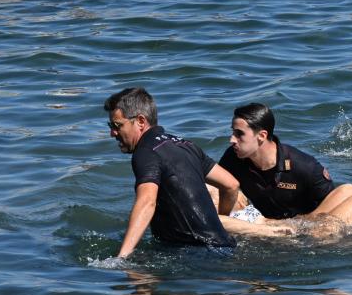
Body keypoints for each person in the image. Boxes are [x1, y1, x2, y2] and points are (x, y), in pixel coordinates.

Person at [104, 87, 289, 259]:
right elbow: (231, 184)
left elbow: (147, 202)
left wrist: (122, 257)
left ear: (141, 121)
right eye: (110, 125)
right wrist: (219, 223)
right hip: (224, 245)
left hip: (195, 254)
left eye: (117, 125)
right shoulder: (184, 144)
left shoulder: (145, 152)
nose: (112, 132)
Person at [218, 103, 352, 230]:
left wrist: (290, 225)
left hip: (311, 229)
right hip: (274, 225)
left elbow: (332, 211)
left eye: (239, 134)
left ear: (262, 136)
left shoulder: (305, 167)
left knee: (348, 193)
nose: (232, 139)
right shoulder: (233, 158)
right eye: (232, 132)